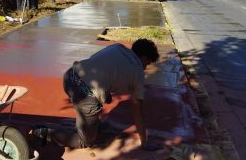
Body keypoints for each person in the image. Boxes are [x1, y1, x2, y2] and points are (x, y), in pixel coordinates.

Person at [33, 39, 162, 151]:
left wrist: (105, 92)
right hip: (85, 96)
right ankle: (45, 133)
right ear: (144, 57)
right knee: (84, 141)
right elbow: (137, 112)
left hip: (70, 76)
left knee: (96, 119)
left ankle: (84, 124)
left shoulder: (117, 47)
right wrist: (144, 142)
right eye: (147, 63)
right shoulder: (138, 73)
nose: (145, 67)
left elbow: (96, 64)